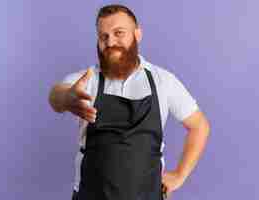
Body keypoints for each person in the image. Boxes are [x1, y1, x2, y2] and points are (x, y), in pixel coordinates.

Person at [48, 4, 210, 200]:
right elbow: (56, 96)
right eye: (103, 36)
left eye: (119, 33)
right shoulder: (87, 80)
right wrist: (67, 98)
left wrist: (179, 176)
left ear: (137, 34)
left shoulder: (162, 81)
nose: (110, 42)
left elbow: (199, 126)